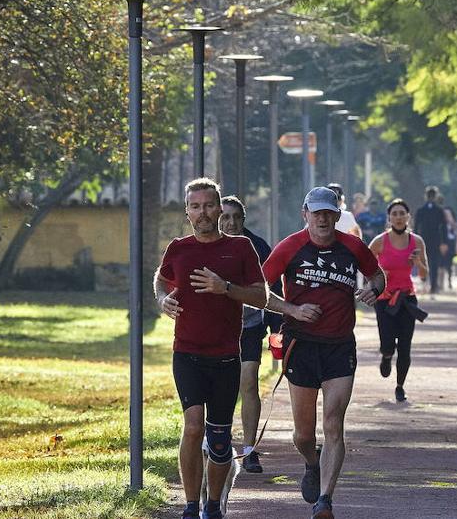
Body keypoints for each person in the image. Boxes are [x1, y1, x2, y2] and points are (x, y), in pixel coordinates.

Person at [262, 187, 386, 519]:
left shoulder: (352, 246)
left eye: (328, 213)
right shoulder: (290, 247)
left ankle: (325, 500)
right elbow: (259, 288)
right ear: (305, 214)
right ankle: (311, 461)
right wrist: (293, 309)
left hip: (339, 347)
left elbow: (377, 274)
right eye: (316, 212)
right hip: (300, 345)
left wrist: (374, 289)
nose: (322, 218)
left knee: (333, 424)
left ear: (336, 215)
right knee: (303, 433)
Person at [154, 178, 269, 519]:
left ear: (220, 208)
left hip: (225, 356)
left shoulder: (241, 249)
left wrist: (226, 288)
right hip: (186, 352)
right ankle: (191, 505)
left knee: (219, 441)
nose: (202, 213)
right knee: (193, 426)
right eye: (195, 207)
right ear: (187, 211)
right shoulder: (178, 248)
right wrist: (163, 300)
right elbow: (162, 279)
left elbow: (261, 296)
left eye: (208, 206)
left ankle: (213, 505)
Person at [217, 195, 274, 475]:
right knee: (219, 387)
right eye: (225, 217)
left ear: (243, 219)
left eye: (236, 217)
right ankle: (218, 443)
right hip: (214, 328)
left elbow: (272, 290)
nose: (230, 223)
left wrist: (278, 330)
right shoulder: (206, 245)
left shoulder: (258, 247)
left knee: (248, 382)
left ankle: (249, 449)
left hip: (249, 326)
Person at [368, 198, 430, 402]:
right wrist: (378, 274)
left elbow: (424, 275)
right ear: (389, 218)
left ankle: (400, 386)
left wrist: (418, 262)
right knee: (388, 343)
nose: (398, 217)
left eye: (402, 213)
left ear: (408, 216)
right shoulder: (379, 241)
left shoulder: (417, 241)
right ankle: (386, 356)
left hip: (407, 299)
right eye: (394, 214)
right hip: (385, 300)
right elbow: (365, 265)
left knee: (405, 345)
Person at [413, 186, 449, 294]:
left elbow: (416, 227)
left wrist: (413, 240)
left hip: (423, 239)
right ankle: (433, 286)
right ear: (436, 196)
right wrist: (444, 242)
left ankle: (424, 282)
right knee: (434, 263)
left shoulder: (420, 210)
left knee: (423, 261)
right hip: (436, 239)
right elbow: (444, 227)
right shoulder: (439, 210)